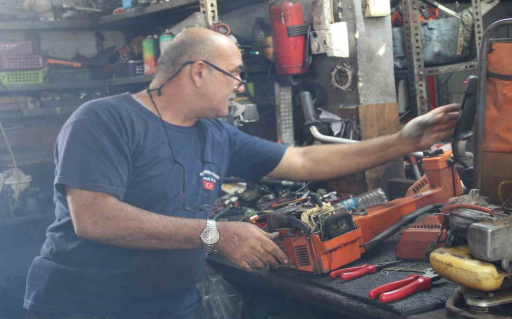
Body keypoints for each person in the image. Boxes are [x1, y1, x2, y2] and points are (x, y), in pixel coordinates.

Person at [24, 27, 459, 319]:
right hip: (86, 304)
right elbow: (95, 218)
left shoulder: (215, 134)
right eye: (233, 74)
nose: (239, 85)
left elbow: (305, 161)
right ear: (198, 71)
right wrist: (217, 233)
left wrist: (404, 141)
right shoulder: (103, 120)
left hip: (171, 304)